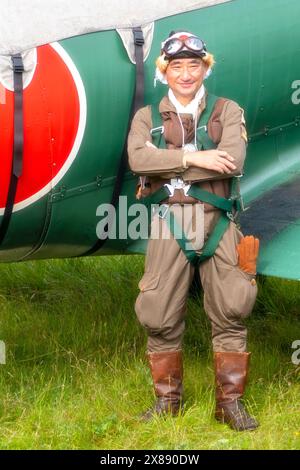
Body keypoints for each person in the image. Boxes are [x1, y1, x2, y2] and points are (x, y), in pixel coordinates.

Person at [127, 30, 259, 431]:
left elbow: (232, 161)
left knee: (233, 309)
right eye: (177, 67)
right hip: (169, 222)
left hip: (218, 221)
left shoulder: (227, 110)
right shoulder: (148, 117)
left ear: (205, 67)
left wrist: (164, 161)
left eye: (194, 65)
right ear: (165, 71)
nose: (186, 74)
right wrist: (194, 156)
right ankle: (167, 402)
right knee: (158, 314)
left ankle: (229, 403)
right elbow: (136, 160)